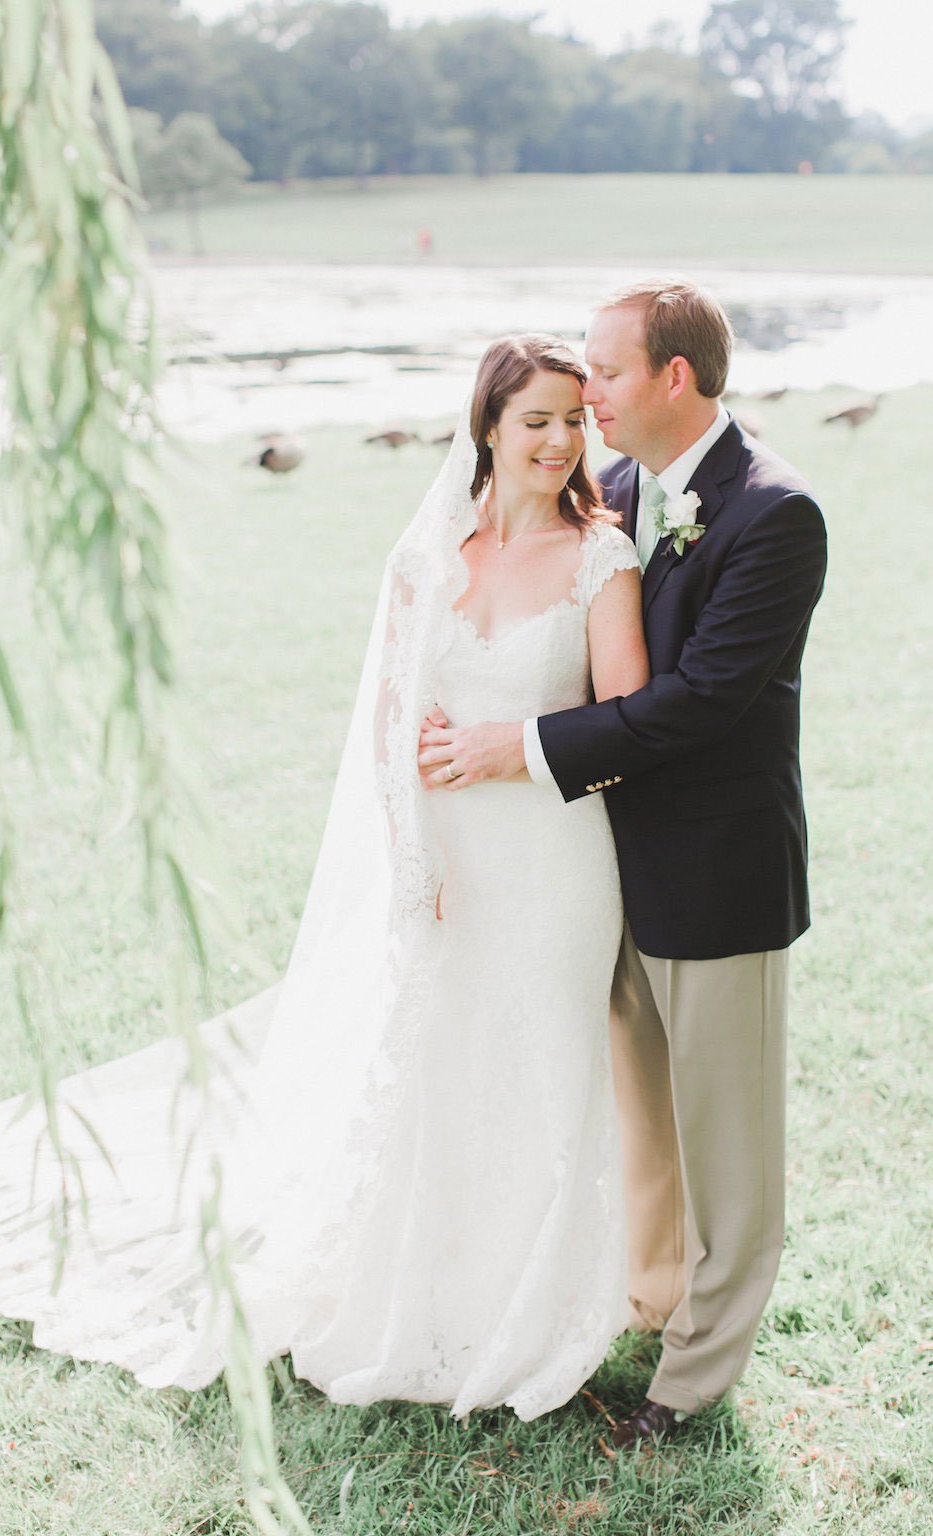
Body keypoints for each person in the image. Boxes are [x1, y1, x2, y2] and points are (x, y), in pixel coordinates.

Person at [0, 336, 648, 1422]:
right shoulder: (426, 558)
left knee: (539, 1064)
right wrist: (413, 858)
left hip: (554, 861)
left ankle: (524, 1311)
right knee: (437, 1070)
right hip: (444, 859)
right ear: (486, 426)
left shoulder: (603, 559)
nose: (556, 441)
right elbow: (390, 723)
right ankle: (423, 1292)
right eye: (534, 419)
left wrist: (509, 737)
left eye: (572, 420)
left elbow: (624, 725)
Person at [419, 281, 828, 1446]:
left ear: (672, 379)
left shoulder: (773, 514)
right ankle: (652, 1303)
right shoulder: (616, 492)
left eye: (601, 372)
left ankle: (693, 1382)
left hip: (716, 872)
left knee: (726, 1142)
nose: (584, 394)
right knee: (643, 1119)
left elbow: (695, 705)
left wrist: (521, 746)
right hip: (594, 872)